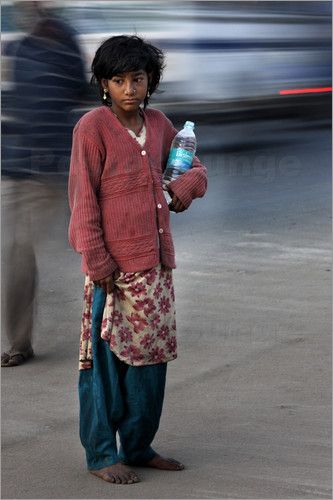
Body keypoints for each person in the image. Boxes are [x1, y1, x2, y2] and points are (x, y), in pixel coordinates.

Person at [68, 35, 207, 484]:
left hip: (156, 271)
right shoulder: (92, 128)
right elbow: (83, 201)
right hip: (111, 274)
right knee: (104, 369)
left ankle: (140, 445)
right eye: (119, 80)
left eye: (139, 79)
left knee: (150, 364)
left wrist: (182, 190)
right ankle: (102, 454)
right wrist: (98, 262)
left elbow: (196, 169)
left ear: (151, 82)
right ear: (104, 85)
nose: (130, 88)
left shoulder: (163, 125)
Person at [1, 1, 87, 367]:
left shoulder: (65, 43)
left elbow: (81, 90)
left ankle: (114, 327)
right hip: (16, 169)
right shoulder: (16, 50)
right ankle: (20, 341)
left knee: (86, 243)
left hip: (52, 169)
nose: (27, 10)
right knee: (17, 252)